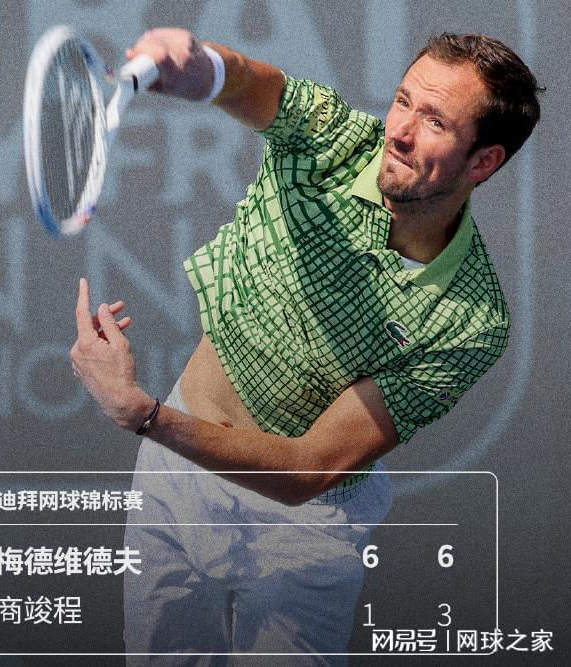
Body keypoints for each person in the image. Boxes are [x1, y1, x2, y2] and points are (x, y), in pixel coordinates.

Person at [70, 29, 541, 661]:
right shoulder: (330, 139)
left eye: (435, 122)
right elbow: (241, 79)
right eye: (402, 101)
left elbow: (308, 470)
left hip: (306, 524)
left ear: (483, 162)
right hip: (176, 472)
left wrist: (143, 415)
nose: (400, 132)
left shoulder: (470, 322)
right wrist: (196, 63)